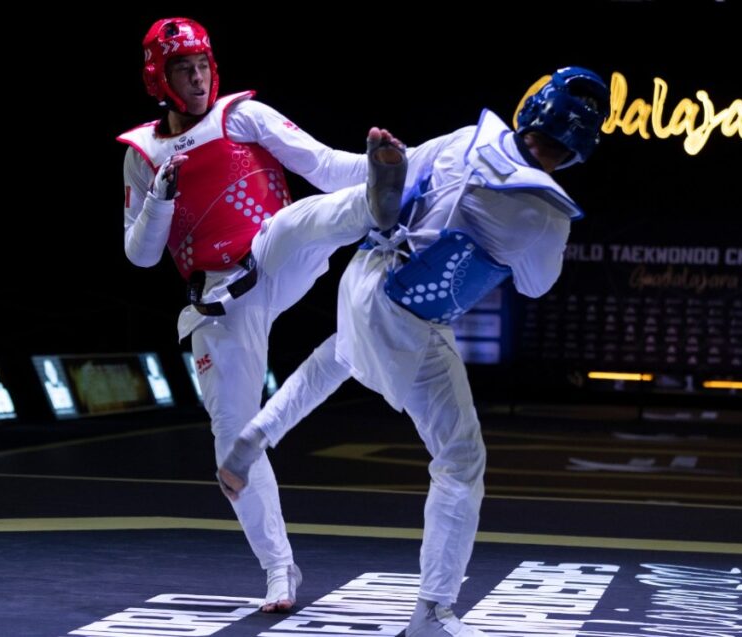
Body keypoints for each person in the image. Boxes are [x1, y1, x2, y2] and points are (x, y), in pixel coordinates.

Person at [218, 67, 610, 636]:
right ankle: (433, 612)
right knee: (460, 461)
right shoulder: (545, 211)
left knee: (340, 355)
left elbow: (387, 182)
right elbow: (534, 285)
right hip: (411, 316)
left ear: (532, 108)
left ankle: (247, 445)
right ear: (580, 147)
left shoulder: (464, 139)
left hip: (362, 278)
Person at [117, 17, 407, 613]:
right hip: (221, 298)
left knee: (297, 222)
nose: (196, 77)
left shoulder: (241, 115)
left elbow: (325, 166)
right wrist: (160, 199)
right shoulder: (143, 156)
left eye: (201, 65)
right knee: (232, 441)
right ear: (159, 78)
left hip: (274, 254)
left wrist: (386, 160)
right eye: (182, 68)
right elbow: (141, 256)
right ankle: (279, 569)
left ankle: (382, 201)